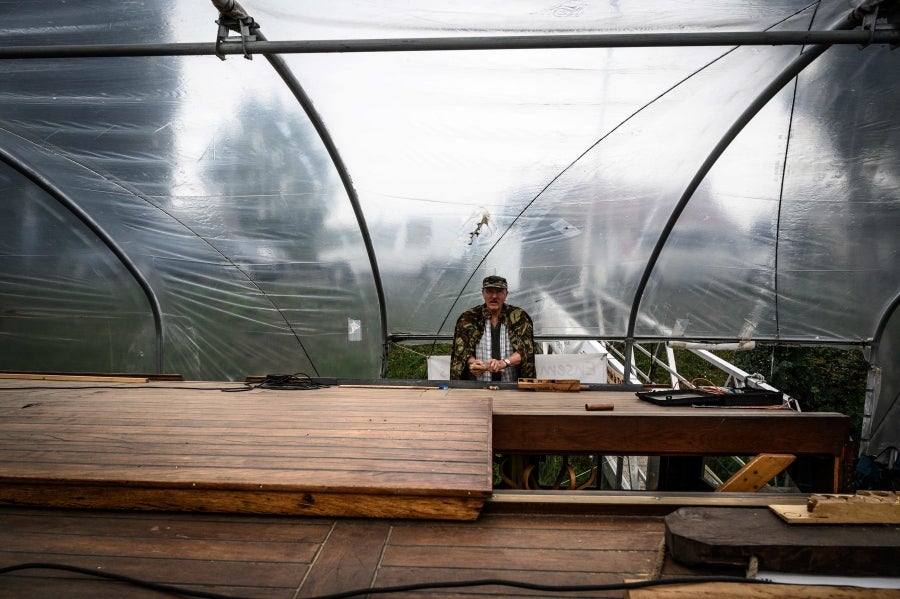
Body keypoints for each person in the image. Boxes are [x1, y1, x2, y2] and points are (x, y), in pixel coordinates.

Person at [449, 275, 536, 381]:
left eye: (499, 291)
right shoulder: (468, 318)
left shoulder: (519, 317)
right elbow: (460, 351)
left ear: (506, 294)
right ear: (483, 293)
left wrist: (504, 363)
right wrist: (473, 363)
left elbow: (526, 351)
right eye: (489, 291)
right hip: (476, 386)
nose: (494, 296)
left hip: (511, 385)